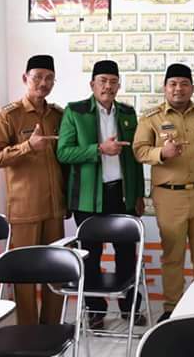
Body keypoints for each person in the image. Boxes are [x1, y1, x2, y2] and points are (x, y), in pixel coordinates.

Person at [57, 60, 145, 329]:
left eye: (113, 81)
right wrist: (98, 149)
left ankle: (130, 308)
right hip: (88, 197)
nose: (108, 86)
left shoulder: (128, 113)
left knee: (127, 254)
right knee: (90, 255)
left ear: (119, 85)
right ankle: (94, 309)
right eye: (103, 81)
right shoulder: (75, 111)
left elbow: (135, 158)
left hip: (121, 194)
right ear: (92, 84)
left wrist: (139, 194)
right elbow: (63, 152)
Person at [133, 64, 194, 322]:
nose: (178, 88)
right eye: (173, 84)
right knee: (173, 254)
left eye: (184, 84)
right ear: (165, 88)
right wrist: (162, 153)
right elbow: (139, 150)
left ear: (191, 87)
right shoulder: (151, 118)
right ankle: (172, 307)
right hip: (169, 196)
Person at [0, 55, 65, 326]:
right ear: (25, 78)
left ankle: (52, 330)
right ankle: (28, 331)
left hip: (55, 208)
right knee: (25, 275)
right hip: (25, 209)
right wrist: (28, 146)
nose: (43, 83)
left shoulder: (58, 115)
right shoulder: (9, 115)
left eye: (49, 78)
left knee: (56, 271)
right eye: (37, 77)